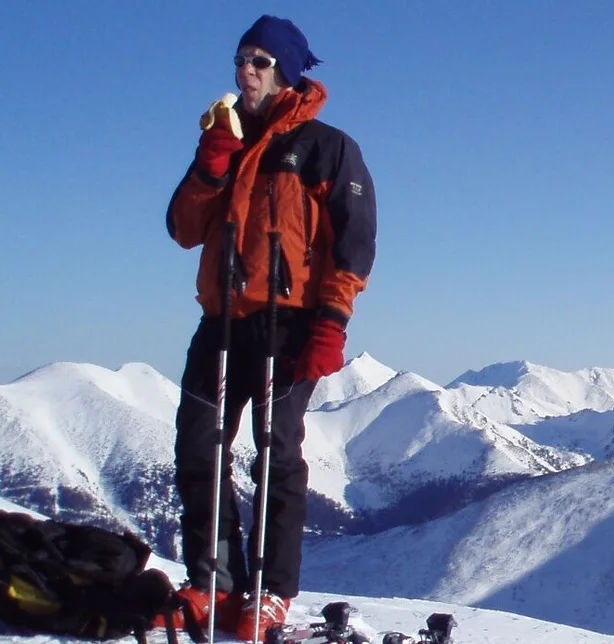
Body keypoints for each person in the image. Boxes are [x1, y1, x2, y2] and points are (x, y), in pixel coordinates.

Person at [157, 14, 376, 640]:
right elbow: (183, 229)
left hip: (290, 325)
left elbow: (353, 247)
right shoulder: (224, 141)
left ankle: (270, 591)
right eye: (240, 59)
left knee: (276, 456)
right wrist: (212, 163)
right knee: (200, 450)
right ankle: (213, 581)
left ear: (284, 70)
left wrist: (332, 321)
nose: (243, 72)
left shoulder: (328, 147)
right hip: (222, 322)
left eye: (258, 61)